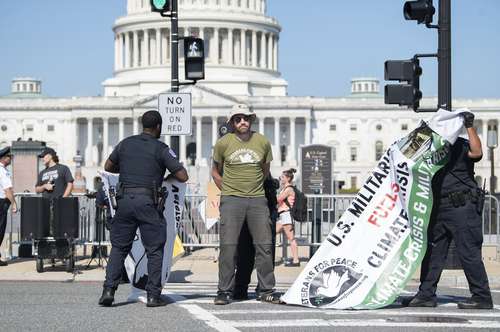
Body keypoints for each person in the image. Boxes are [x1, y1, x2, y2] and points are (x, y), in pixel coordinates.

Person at [98, 110, 188, 308]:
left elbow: (108, 166)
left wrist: (129, 169)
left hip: (125, 201)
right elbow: (182, 176)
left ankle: (108, 290)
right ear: (158, 127)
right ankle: (153, 295)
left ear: (142, 125)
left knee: (119, 248)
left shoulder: (125, 144)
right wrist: (162, 178)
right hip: (148, 202)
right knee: (155, 249)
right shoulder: (161, 148)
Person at [405, 111, 493, 309]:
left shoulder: (460, 145)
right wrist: (422, 131)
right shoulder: (429, 148)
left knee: (468, 252)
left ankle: (481, 296)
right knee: (433, 252)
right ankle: (426, 294)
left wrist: (470, 126)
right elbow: (406, 155)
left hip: (462, 206)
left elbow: (477, 153)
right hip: (438, 206)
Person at [212, 103, 280, 305]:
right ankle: (224, 290)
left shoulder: (262, 142)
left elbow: (265, 169)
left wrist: (254, 186)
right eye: (238, 118)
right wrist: (227, 189)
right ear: (232, 122)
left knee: (264, 245)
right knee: (228, 246)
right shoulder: (223, 143)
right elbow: (215, 171)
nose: (243, 122)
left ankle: (266, 289)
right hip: (232, 199)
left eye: (246, 118)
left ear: (251, 120)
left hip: (257, 199)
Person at [276, 168, 300, 267]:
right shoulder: (285, 188)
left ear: (288, 178)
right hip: (283, 215)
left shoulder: (289, 189)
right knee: (271, 232)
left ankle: (296, 260)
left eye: (282, 177)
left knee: (291, 238)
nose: (280, 179)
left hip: (286, 215)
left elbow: (278, 199)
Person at [0, 147, 17, 266]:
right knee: (0, 230)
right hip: (1, 203)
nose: (11, 158)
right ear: (4, 158)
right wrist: (14, 203)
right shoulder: (2, 171)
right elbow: (7, 189)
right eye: (9, 157)